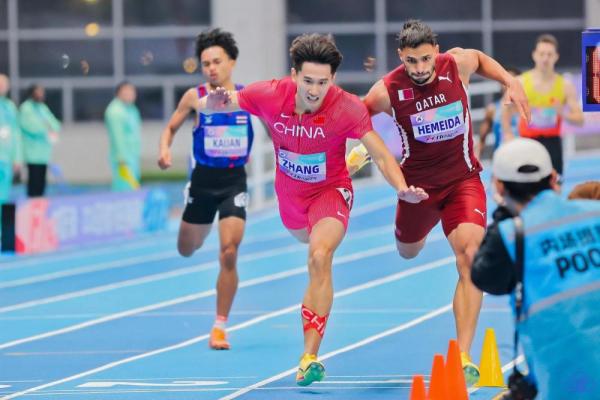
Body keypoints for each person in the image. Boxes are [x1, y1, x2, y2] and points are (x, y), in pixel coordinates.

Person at [196, 33, 428, 386]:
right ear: (294, 75)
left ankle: (309, 357)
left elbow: (382, 154)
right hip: (291, 199)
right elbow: (219, 103)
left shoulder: (347, 107)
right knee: (304, 239)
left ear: (333, 78)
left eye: (323, 82)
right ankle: (350, 161)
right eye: (308, 81)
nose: (315, 90)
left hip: (330, 192)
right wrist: (213, 103)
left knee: (319, 256)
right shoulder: (269, 94)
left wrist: (401, 188)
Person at [358, 19, 530, 385]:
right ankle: (417, 231)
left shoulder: (456, 64)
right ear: (400, 57)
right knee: (408, 251)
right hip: (416, 190)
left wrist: (509, 81)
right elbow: (355, 116)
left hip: (462, 182)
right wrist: (362, 151)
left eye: (425, 59)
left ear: (436, 52)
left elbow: (480, 58)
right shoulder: (387, 90)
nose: (420, 68)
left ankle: (463, 354)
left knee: (470, 256)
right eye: (411, 61)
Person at [471, 138, 600, 399]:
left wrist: (503, 216)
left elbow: (485, 278)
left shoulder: (510, 235)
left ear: (499, 186)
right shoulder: (594, 212)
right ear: (553, 178)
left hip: (566, 379)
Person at [158, 29, 255, 351]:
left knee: (229, 251)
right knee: (187, 248)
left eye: (217, 61)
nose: (211, 68)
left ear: (232, 62)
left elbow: (276, 127)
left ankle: (219, 326)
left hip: (233, 181)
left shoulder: (248, 97)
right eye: (206, 63)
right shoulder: (194, 97)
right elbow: (170, 128)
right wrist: (164, 150)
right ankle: (202, 224)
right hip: (202, 182)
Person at [503, 34, 584, 179]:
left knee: (555, 184)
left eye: (549, 54)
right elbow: (506, 109)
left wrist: (563, 113)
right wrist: (508, 134)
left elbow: (580, 120)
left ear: (556, 57)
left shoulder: (565, 86)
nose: (545, 58)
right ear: (534, 55)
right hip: (527, 142)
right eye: (542, 54)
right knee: (528, 184)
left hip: (553, 143)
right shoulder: (521, 82)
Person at [18, 84, 61, 197]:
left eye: (42, 92)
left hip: (44, 153)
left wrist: (49, 128)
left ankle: (40, 203)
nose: (41, 94)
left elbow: (55, 125)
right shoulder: (26, 108)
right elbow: (31, 127)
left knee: (42, 182)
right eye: (38, 92)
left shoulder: (43, 108)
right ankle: (32, 203)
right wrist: (47, 129)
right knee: (34, 181)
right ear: (32, 93)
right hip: (32, 152)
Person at [105, 81, 142, 191]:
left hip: (133, 156)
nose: (130, 94)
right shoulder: (115, 111)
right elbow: (117, 137)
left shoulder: (132, 109)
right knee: (124, 188)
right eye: (126, 91)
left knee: (133, 187)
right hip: (122, 159)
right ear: (118, 93)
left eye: (132, 91)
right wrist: (121, 158)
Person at [477, 66, 521, 158]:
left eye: (512, 80)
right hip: (501, 157)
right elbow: (481, 140)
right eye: (505, 81)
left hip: (524, 155)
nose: (508, 84)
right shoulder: (492, 109)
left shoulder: (528, 108)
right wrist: (476, 156)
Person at [0, 74, 22, 212]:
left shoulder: (9, 107)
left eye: (3, 85)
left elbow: (16, 133)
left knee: (4, 194)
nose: (1, 87)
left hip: (6, 158)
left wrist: (17, 158)